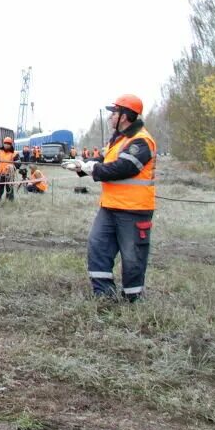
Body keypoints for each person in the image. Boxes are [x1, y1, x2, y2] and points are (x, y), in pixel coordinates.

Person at [63, 94, 155, 301]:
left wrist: (93, 169)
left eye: (114, 112)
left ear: (124, 116)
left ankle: (133, 301)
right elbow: (103, 159)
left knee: (133, 257)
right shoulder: (119, 140)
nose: (111, 117)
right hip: (110, 207)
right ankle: (103, 296)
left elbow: (124, 167)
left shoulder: (141, 140)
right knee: (97, 249)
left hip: (134, 210)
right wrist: (80, 166)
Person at [0, 136, 18, 202]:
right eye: (5, 143)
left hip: (9, 174)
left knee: (9, 188)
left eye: (8, 143)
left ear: (11, 144)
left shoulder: (14, 153)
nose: (6, 145)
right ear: (3, 143)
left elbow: (18, 163)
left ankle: (10, 201)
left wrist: (12, 166)